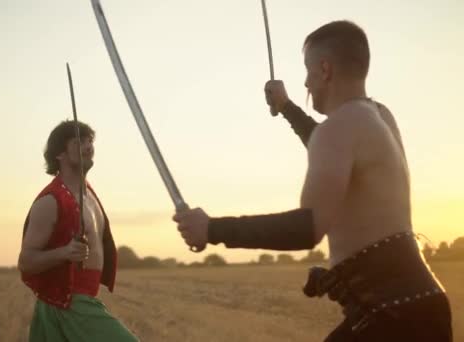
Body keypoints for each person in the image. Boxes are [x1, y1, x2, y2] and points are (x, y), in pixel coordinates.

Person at [173, 20, 452, 341]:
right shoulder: (378, 117)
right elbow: (333, 150)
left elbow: (306, 229)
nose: (306, 83)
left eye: (307, 70)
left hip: (391, 316)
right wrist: (288, 107)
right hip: (417, 306)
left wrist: (211, 229)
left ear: (324, 69)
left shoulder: (340, 127)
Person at [18, 120, 138, 341]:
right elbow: (26, 261)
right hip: (67, 304)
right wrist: (63, 253)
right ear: (59, 154)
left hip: (84, 301)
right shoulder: (50, 201)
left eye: (90, 140)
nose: (89, 146)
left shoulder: (90, 195)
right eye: (79, 141)